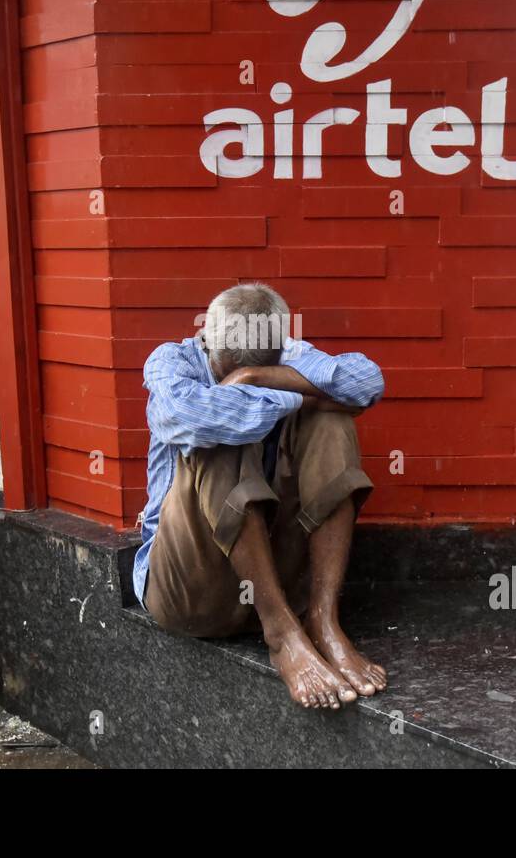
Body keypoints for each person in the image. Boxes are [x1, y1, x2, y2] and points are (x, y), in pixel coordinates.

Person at [136, 282, 387, 710]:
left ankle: (322, 620)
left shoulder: (278, 353)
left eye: (263, 364)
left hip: (274, 573)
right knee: (216, 440)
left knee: (334, 426)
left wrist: (256, 377)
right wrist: (302, 397)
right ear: (207, 342)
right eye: (227, 366)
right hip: (189, 589)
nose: (233, 370)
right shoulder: (171, 361)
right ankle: (282, 636)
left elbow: (367, 382)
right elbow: (193, 415)